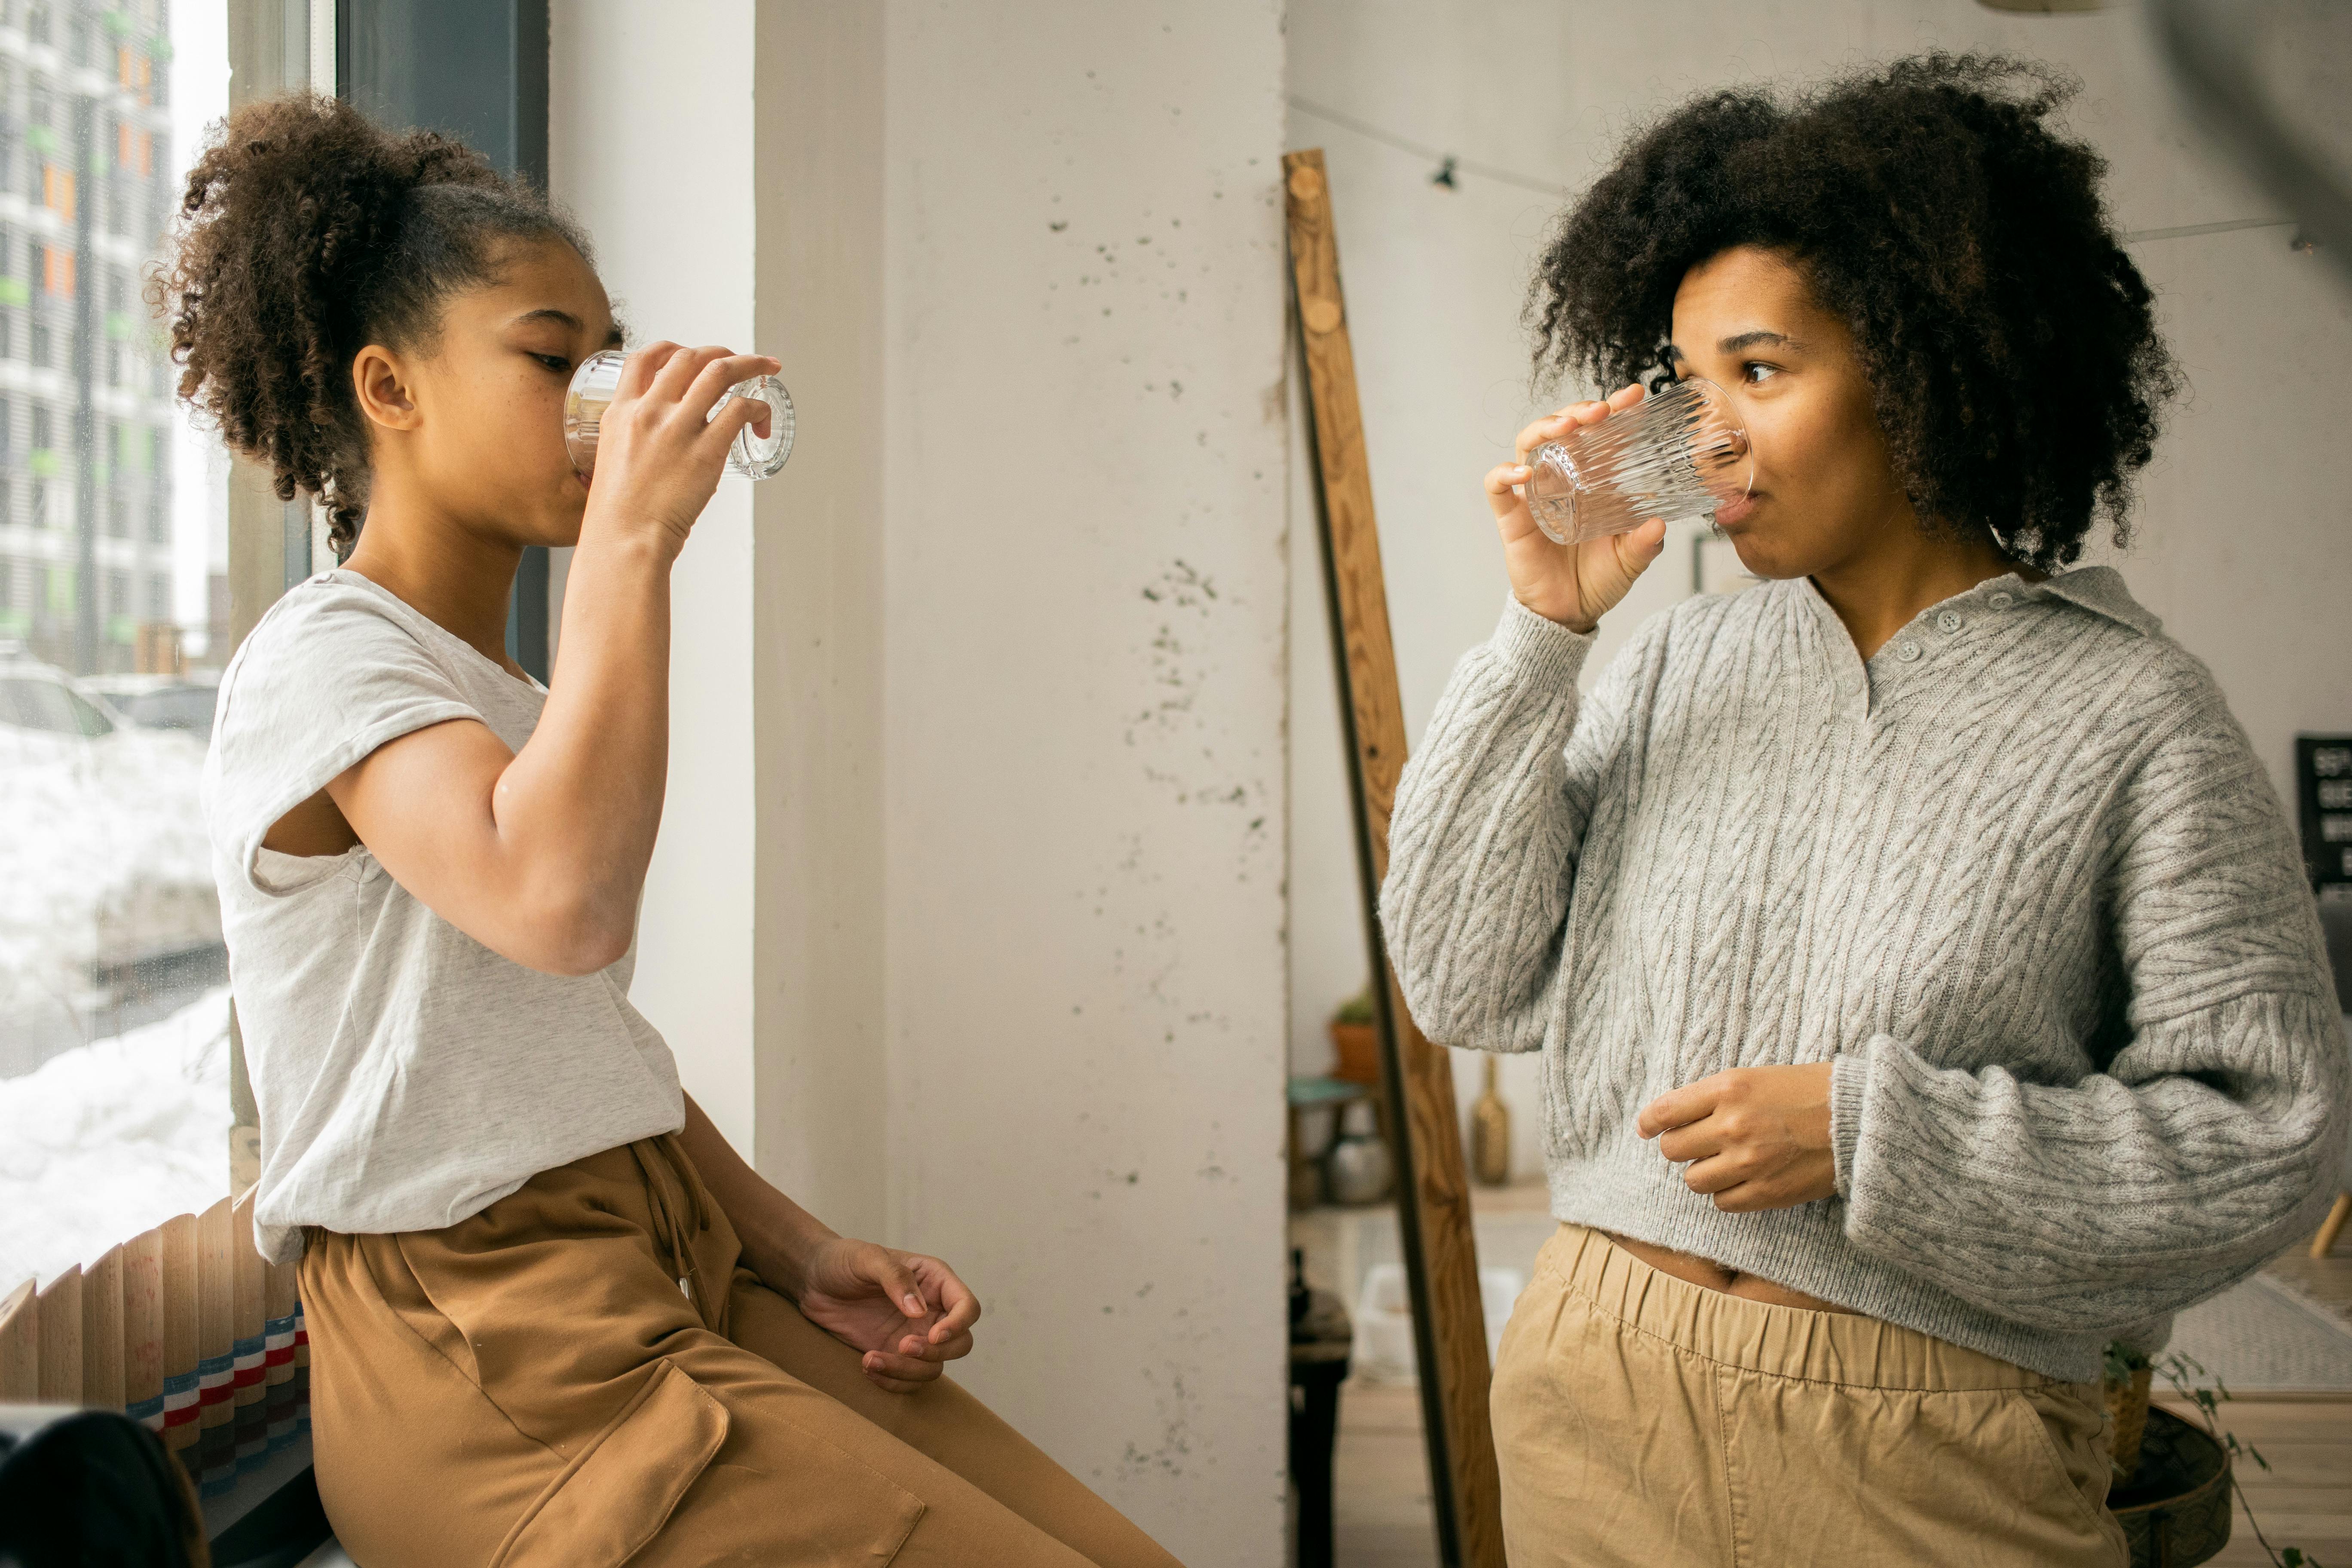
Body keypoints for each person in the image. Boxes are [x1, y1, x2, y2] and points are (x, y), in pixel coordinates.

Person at [165, 94, 1182, 1568]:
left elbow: (566, 1048)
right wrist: (636, 541)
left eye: (608, 356)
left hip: (661, 1267)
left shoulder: (505, 695)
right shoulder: (326, 656)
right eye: (551, 360)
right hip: (489, 1352)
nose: (606, 399)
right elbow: (563, 906)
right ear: (388, 389)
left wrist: (799, 1248)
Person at [1379, 54, 2348, 1568]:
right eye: (1691, 387)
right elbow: (1458, 976)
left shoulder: (2134, 717)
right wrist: (1543, 637)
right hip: (1593, 1399)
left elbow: (2267, 1139)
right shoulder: (1670, 666)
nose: (1711, 439)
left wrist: (1875, 1132)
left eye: (1761, 374)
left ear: (1928, 361)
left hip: (1931, 1450)